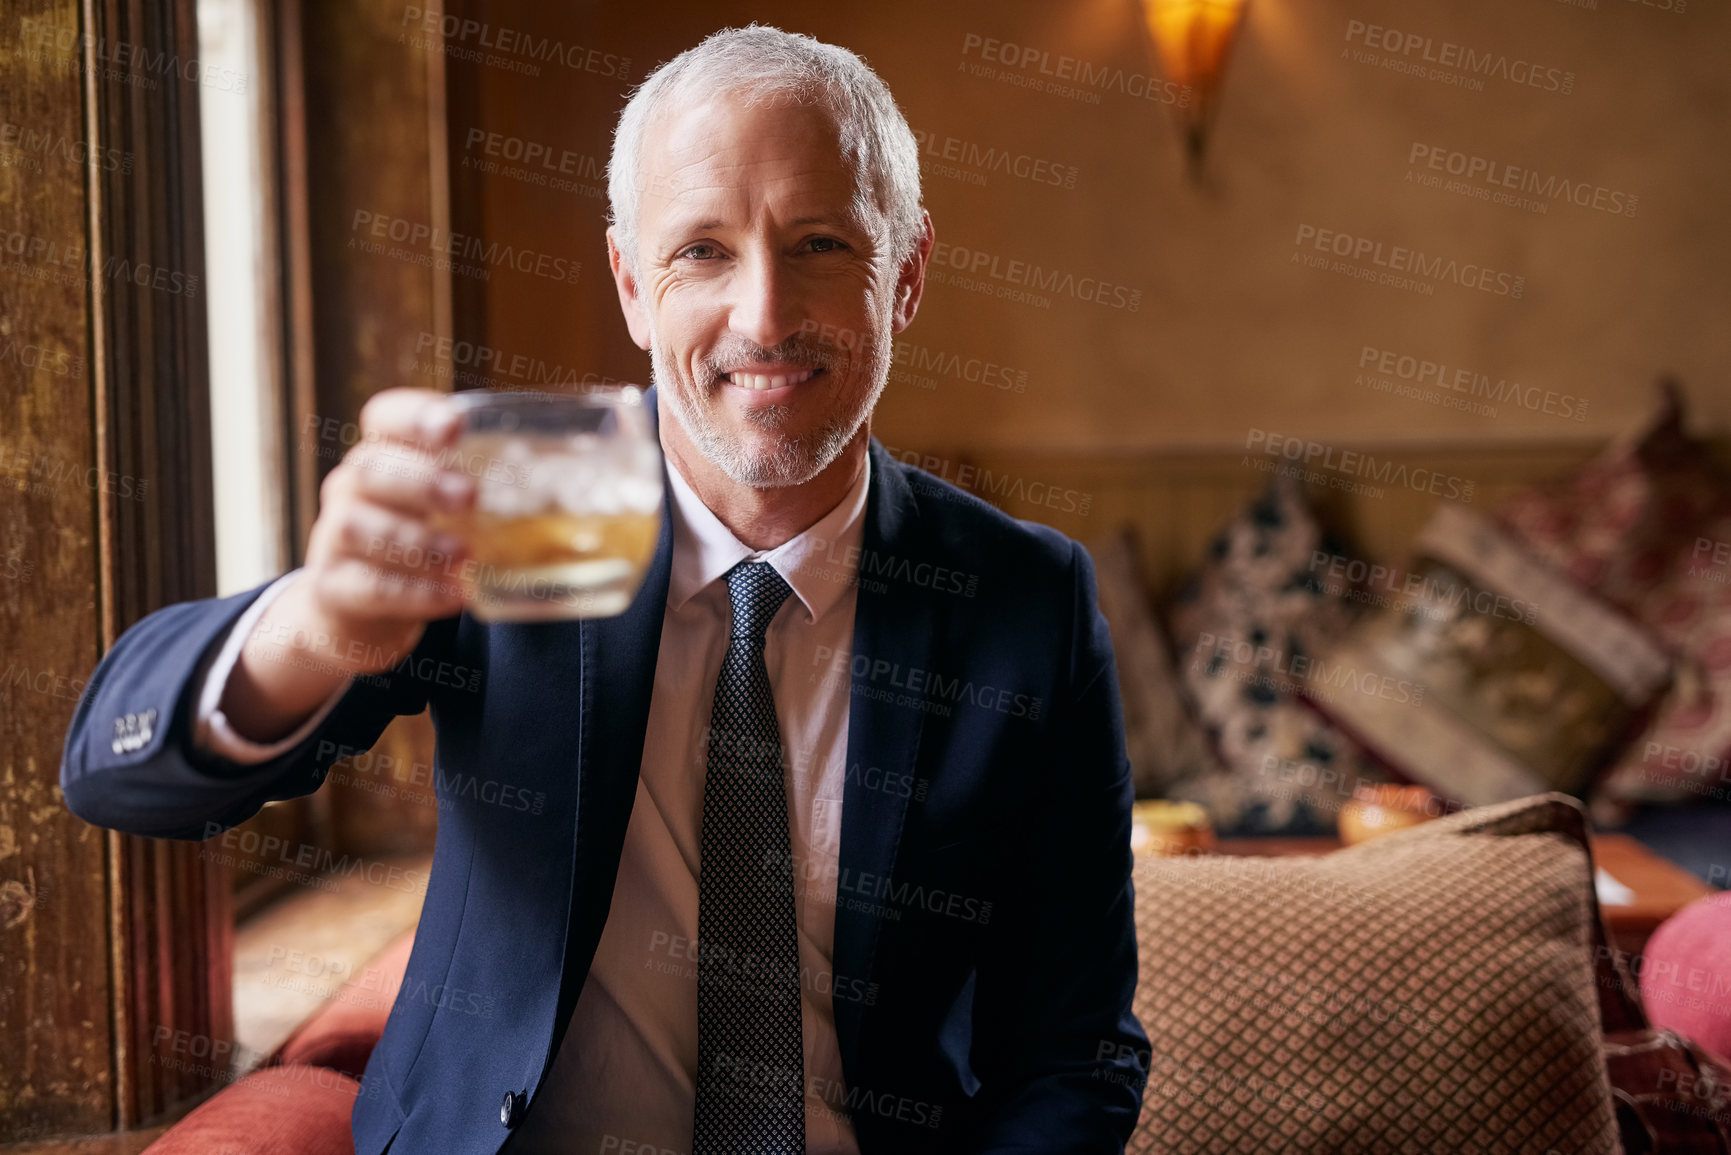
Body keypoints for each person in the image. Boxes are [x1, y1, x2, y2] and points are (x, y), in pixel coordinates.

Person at [61, 23, 1149, 1154]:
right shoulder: (515, 514)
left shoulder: (1027, 601)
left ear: (907, 275)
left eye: (821, 243)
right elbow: (114, 774)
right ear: (632, 285)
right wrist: (325, 626)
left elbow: (1075, 1053)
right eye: (702, 253)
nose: (765, 316)